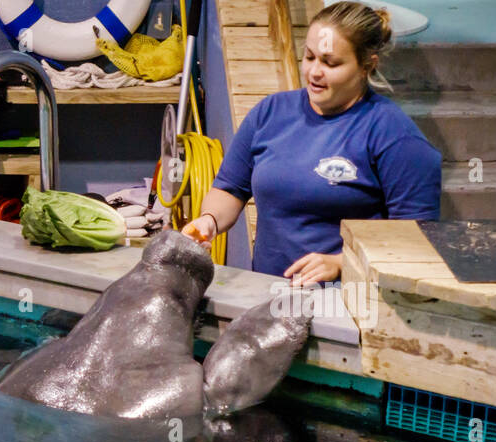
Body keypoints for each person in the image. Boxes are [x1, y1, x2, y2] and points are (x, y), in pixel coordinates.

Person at [181, 1, 441, 284]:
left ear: (367, 65)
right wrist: (209, 221)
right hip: (271, 294)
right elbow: (230, 189)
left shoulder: (393, 133)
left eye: (331, 63)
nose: (315, 71)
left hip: (347, 307)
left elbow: (416, 237)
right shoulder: (270, 113)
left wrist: (343, 263)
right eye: (310, 57)